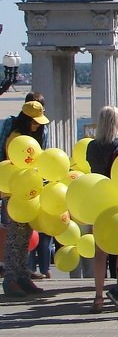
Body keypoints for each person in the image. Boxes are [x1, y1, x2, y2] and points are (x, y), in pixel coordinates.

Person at [0, 95, 49, 297]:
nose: (38, 127)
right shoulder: (17, 138)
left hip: (27, 192)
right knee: (15, 238)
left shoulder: (29, 138)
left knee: (25, 237)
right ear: (28, 121)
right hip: (14, 193)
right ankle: (11, 279)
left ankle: (22, 275)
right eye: (35, 123)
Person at [86, 105, 118, 312]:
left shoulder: (91, 146)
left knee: (99, 252)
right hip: (117, 199)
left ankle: (98, 296)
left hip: (98, 200)